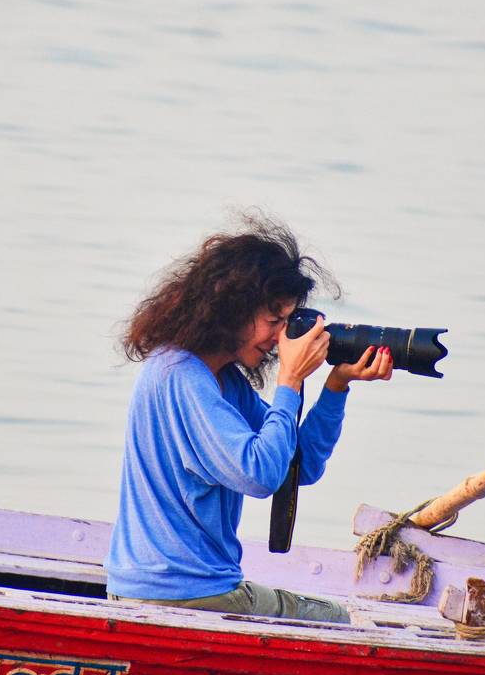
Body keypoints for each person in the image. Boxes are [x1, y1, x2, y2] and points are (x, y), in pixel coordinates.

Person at [104, 216, 392, 624]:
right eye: (274, 322)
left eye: (287, 323)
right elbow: (259, 475)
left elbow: (297, 465)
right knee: (338, 618)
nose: (280, 339)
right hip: (181, 594)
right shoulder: (179, 376)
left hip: (184, 591)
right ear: (231, 311)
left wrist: (336, 385)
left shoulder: (225, 381)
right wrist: (289, 381)